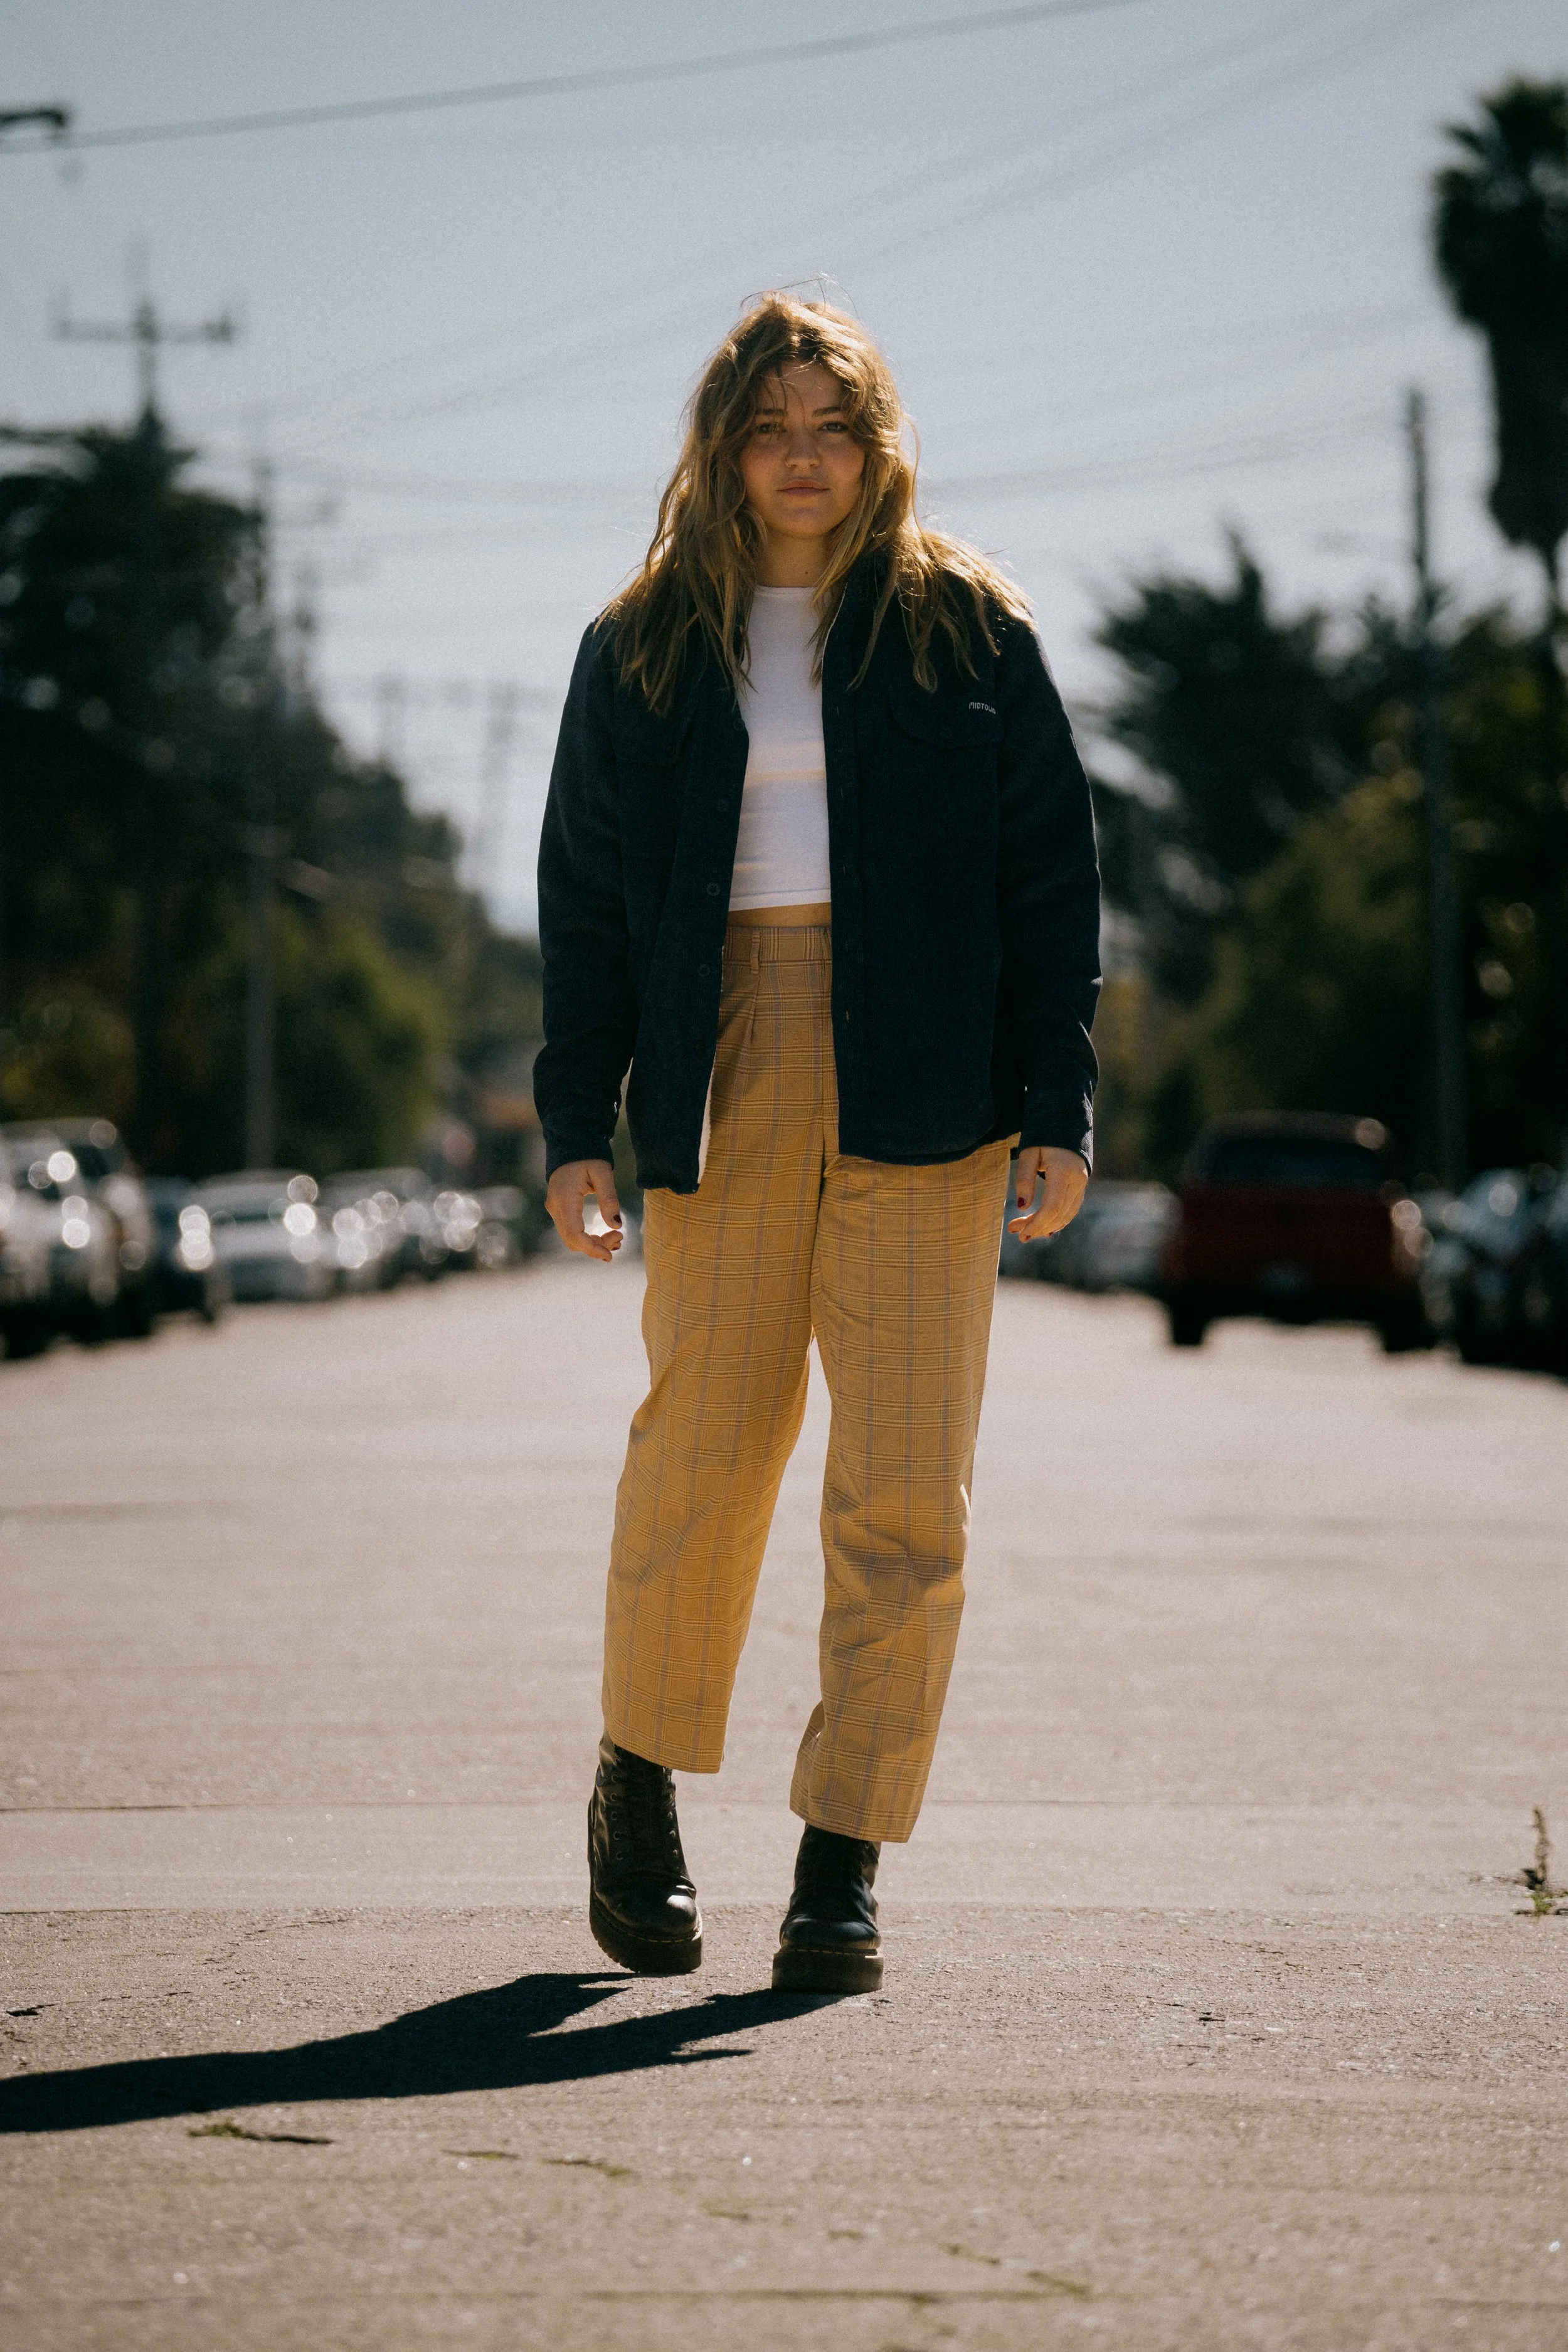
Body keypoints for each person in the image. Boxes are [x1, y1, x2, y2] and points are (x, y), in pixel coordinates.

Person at [535, 294, 1099, 1994]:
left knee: (906, 1484)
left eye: (830, 427)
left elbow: (1051, 878)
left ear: (876, 444)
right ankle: (636, 1782)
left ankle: (841, 1858)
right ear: (723, 448)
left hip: (931, 1075)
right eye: (771, 428)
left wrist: (1058, 1103)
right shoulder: (639, 646)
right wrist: (579, 1126)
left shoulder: (967, 632)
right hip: (731, 1065)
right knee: (701, 1442)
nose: (802, 459)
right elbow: (581, 903)